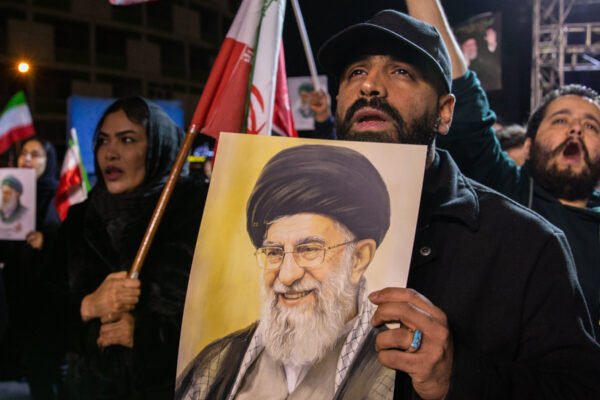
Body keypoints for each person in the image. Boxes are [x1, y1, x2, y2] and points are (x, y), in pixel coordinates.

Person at [314, 4, 600, 399]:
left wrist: (458, 376)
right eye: (356, 72)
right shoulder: (291, 218)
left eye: (401, 72)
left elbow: (579, 388)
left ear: (445, 112)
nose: (370, 87)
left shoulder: (528, 243)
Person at [428, 0, 600, 341]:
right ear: (529, 145)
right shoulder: (507, 191)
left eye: (592, 126)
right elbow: (464, 95)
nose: (576, 129)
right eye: (560, 120)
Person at [175, 144, 396, 399]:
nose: (287, 275)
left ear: (358, 258)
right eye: (274, 252)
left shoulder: (394, 373)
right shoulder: (217, 365)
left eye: (309, 249)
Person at [47, 96, 208, 399]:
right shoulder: (80, 220)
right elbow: (40, 316)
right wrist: (88, 306)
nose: (110, 152)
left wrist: (144, 337)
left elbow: (221, 316)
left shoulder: (195, 212)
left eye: (127, 140)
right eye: (103, 140)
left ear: (159, 147)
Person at [0, 137, 62, 399]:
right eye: (24, 153)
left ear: (49, 161)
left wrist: (46, 242)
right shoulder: (7, 192)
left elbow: (71, 243)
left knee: (43, 358)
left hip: (45, 290)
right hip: (14, 284)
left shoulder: (60, 195)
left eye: (35, 154)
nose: (27, 159)